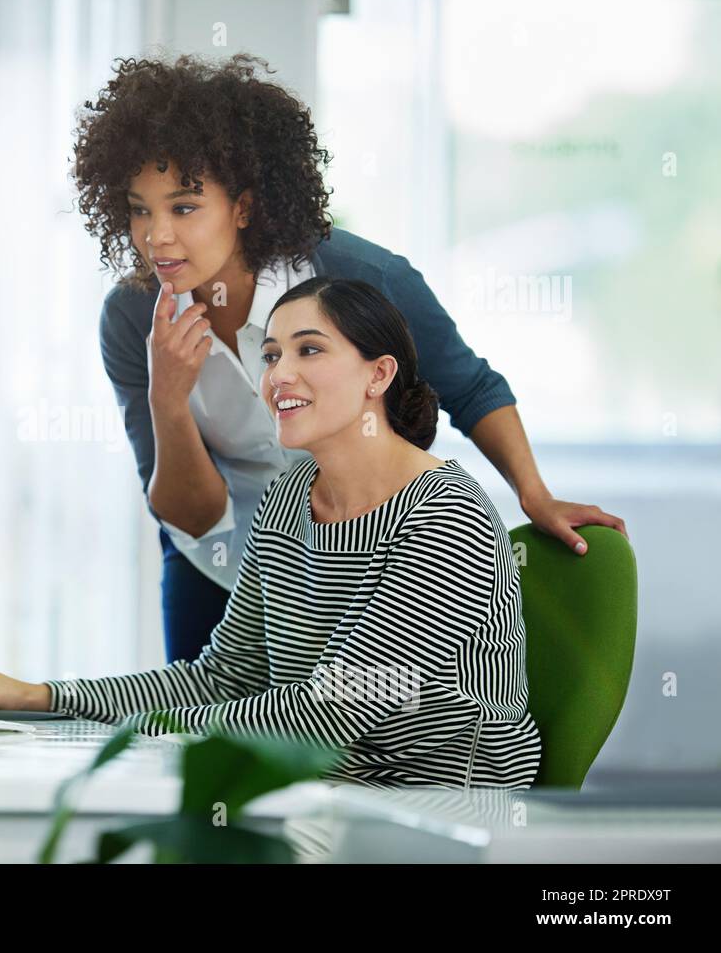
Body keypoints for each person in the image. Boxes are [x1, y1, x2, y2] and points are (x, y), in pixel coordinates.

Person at [72, 52, 626, 663]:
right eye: (138, 209)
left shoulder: (364, 278)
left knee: (339, 740)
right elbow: (196, 518)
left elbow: (470, 388)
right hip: (221, 561)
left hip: (361, 546)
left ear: (245, 207)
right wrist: (167, 399)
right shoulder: (129, 320)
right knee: (205, 744)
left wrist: (534, 493)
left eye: (183, 207)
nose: (157, 237)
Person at [0, 277, 543, 790]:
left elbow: (333, 711)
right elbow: (220, 679)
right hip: (311, 792)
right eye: (271, 355)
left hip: (432, 812)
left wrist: (139, 733)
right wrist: (41, 697)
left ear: (378, 375)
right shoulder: (288, 496)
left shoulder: (443, 512)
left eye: (309, 350)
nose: (279, 375)